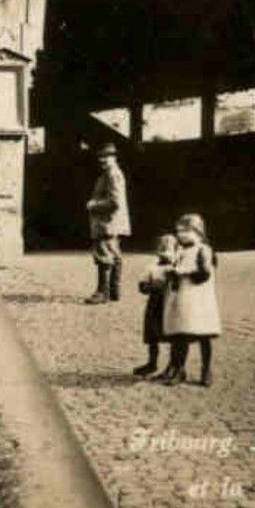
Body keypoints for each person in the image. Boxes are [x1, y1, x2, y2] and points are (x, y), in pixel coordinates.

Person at [161, 212, 221, 387]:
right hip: (181, 298)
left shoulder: (204, 249)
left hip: (200, 299)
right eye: (179, 231)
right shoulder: (179, 251)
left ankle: (206, 369)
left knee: (203, 335)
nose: (181, 234)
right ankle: (179, 369)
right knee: (180, 335)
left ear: (197, 231)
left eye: (186, 230)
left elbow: (204, 273)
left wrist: (184, 272)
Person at [84, 143, 130, 304]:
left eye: (106, 156)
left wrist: (93, 205)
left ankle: (102, 293)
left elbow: (115, 201)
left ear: (114, 157)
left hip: (107, 222)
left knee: (104, 256)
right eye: (101, 157)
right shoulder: (111, 173)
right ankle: (114, 291)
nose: (102, 160)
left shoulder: (112, 174)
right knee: (115, 255)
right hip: (112, 222)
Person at [133, 233, 177, 376]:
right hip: (155, 303)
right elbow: (142, 286)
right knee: (153, 335)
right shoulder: (152, 267)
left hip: (171, 303)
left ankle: (173, 365)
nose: (165, 255)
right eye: (162, 250)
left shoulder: (177, 267)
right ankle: (152, 363)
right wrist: (153, 287)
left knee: (173, 334)